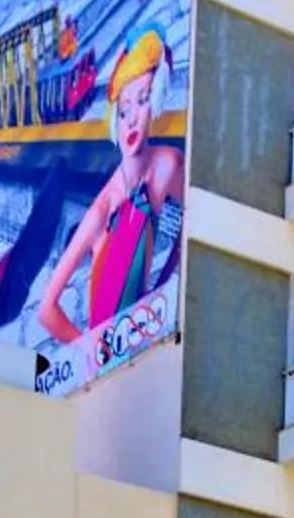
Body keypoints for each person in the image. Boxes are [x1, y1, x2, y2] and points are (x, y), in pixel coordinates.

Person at [37, 25, 184, 359]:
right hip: (112, 363)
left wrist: (167, 281)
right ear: (114, 118)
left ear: (157, 101)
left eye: (143, 100)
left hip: (149, 341)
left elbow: (197, 218)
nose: (132, 119)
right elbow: (46, 309)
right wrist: (92, 350)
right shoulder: (102, 210)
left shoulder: (168, 166)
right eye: (124, 109)